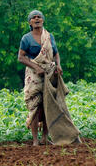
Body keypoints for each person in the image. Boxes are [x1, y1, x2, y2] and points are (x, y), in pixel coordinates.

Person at [18, 10, 81, 146]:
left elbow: (56, 54)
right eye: (33, 18)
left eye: (39, 17)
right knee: (35, 106)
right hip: (34, 75)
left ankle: (45, 138)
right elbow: (21, 57)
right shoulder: (26, 38)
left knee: (49, 104)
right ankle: (35, 140)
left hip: (49, 72)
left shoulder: (49, 36)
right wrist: (36, 68)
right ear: (30, 22)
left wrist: (58, 65)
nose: (37, 19)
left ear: (43, 20)